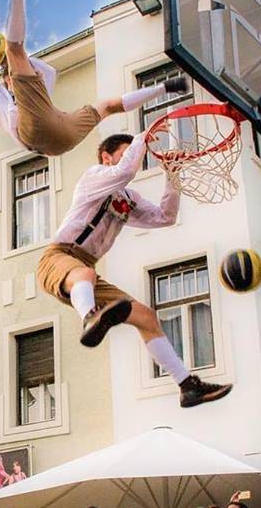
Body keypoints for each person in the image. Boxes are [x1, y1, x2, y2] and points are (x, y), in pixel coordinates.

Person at [36, 131, 232, 408]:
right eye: (126, 153)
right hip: (58, 256)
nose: (133, 160)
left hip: (85, 270)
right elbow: (125, 170)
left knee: (146, 317)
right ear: (107, 157)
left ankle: (188, 386)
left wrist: (172, 176)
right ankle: (90, 317)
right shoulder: (95, 176)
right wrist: (144, 136)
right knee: (85, 275)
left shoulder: (129, 198)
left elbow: (165, 217)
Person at [0, 0, 187, 157]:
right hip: (60, 131)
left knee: (16, 50)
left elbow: (39, 69)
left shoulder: (27, 95)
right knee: (106, 107)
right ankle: (167, 87)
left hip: (51, 132)